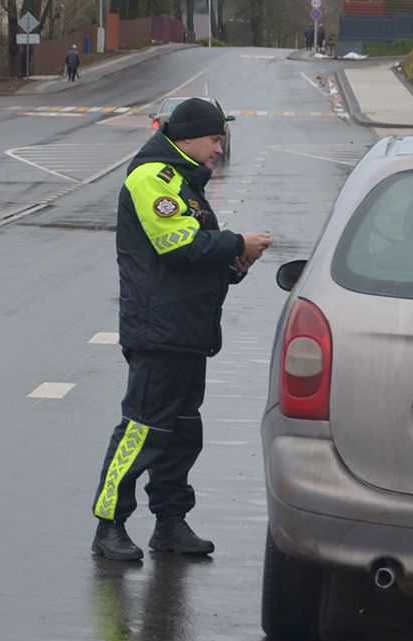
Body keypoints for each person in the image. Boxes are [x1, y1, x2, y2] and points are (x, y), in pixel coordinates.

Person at [90, 98, 272, 560]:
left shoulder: (186, 181)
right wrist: (236, 241)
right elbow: (179, 245)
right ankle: (109, 524)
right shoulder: (153, 177)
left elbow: (194, 258)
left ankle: (170, 522)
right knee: (142, 430)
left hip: (186, 330)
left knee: (182, 433)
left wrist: (237, 264)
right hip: (159, 330)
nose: (218, 148)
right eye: (215, 139)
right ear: (187, 137)